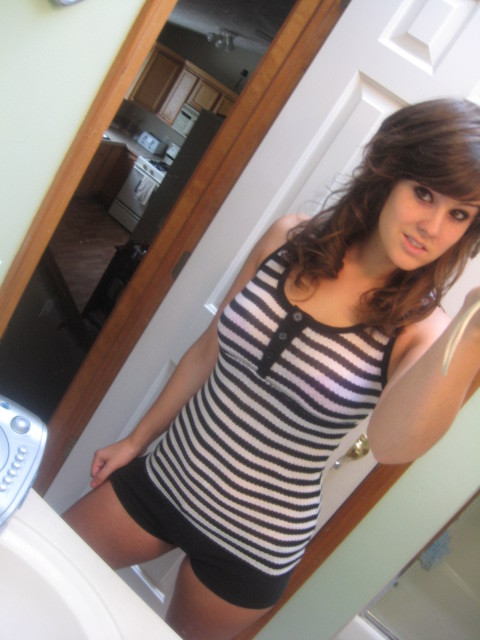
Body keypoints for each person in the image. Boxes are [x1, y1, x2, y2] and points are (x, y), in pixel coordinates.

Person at [64, 98, 480, 640]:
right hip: (167, 474)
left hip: (253, 547)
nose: (432, 226)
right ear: (388, 172)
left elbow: (392, 443)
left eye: (460, 214)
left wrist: (472, 332)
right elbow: (208, 349)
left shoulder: (422, 330)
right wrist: (136, 440)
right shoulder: (288, 238)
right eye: (423, 192)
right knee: (45, 566)